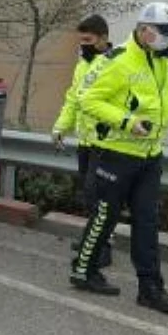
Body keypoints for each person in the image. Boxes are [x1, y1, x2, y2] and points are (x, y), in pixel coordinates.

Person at [71, 1, 168, 315]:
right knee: (104, 218)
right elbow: (86, 99)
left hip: (150, 155)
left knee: (147, 221)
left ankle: (150, 288)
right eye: (163, 32)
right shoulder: (116, 60)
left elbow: (166, 98)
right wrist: (126, 121)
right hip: (116, 155)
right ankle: (84, 270)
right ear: (144, 29)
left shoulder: (164, 62)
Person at [52, 14, 114, 267]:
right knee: (89, 195)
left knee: (99, 195)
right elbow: (73, 101)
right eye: (81, 41)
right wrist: (60, 128)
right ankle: (93, 237)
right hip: (86, 142)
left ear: (103, 39)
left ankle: (104, 246)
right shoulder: (82, 65)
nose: (83, 45)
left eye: (88, 40)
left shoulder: (114, 64)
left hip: (106, 142)